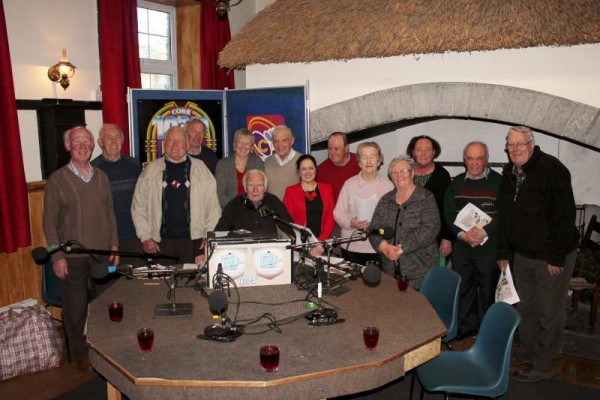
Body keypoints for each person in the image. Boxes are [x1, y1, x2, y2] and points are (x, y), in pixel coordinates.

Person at [497, 126, 578, 383]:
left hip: (550, 257)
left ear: (532, 144)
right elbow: (505, 217)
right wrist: (503, 252)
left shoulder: (551, 169)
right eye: (511, 144)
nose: (515, 149)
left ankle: (544, 365)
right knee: (525, 307)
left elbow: (565, 215)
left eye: (520, 144)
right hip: (523, 254)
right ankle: (528, 351)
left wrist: (556, 256)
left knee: (549, 311)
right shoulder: (509, 173)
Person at [43, 126, 118, 371]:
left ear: (92, 145)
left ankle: (105, 347)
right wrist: (56, 256)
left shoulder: (101, 177)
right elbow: (49, 223)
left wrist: (114, 245)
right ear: (68, 146)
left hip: (101, 254)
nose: (83, 146)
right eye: (77, 142)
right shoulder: (57, 180)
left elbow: (110, 214)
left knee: (105, 303)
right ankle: (81, 352)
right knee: (75, 308)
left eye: (87, 141)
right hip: (71, 257)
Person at [131, 126, 221, 265]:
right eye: (171, 140)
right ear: (164, 144)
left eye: (179, 141)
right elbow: (138, 207)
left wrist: (208, 237)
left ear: (187, 145)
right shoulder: (150, 171)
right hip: (160, 243)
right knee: (161, 285)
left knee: (190, 285)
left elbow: (213, 209)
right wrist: (146, 237)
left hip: (194, 243)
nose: (175, 145)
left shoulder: (201, 169)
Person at [444, 141, 501, 339]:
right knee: (464, 288)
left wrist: (485, 231)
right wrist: (462, 234)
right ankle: (466, 328)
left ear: (487, 159)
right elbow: (449, 212)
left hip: (489, 247)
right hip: (463, 247)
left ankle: (487, 331)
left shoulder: (500, 183)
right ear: (464, 160)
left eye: (479, 158)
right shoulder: (456, 183)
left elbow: (506, 215)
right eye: (470, 158)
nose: (474, 163)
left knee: (488, 289)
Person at [369, 156, 440, 288]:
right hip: (389, 272)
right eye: (394, 172)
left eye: (403, 171)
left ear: (412, 173)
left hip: (419, 272)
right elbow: (373, 229)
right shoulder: (385, 200)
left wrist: (401, 248)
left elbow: (430, 229)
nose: (399, 175)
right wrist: (384, 247)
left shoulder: (426, 198)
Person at [334, 142, 394, 265]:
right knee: (352, 284)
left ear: (379, 160)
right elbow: (338, 212)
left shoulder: (388, 186)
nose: (368, 161)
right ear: (359, 162)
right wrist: (350, 222)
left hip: (378, 247)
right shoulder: (349, 184)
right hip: (351, 246)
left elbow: (394, 217)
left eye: (372, 156)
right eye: (364, 157)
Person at [91, 123, 142, 263]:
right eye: (109, 138)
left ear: (123, 140)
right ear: (100, 142)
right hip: (106, 239)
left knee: (135, 280)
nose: (114, 142)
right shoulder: (93, 169)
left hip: (133, 236)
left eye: (117, 137)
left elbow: (143, 200)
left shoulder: (134, 165)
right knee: (110, 281)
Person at [407, 135, 452, 259]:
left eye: (427, 149)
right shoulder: (404, 172)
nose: (423, 153)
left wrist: (446, 238)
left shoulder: (442, 175)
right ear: (413, 152)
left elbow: (448, 209)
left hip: (435, 238)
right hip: (408, 237)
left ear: (433, 152)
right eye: (419, 149)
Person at [215, 169, 292, 237]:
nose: (255, 190)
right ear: (245, 188)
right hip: (242, 250)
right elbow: (219, 232)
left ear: (265, 188)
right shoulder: (234, 204)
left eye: (259, 185)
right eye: (251, 185)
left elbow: (290, 228)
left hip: (268, 250)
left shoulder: (273, 202)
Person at [283, 154, 335, 241]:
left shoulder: (327, 189)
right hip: (300, 242)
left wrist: (320, 241)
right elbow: (287, 221)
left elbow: (330, 218)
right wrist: (303, 242)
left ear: (316, 169)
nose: (308, 172)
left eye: (311, 168)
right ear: (299, 172)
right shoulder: (291, 192)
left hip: (322, 242)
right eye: (303, 169)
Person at [215, 127, 264, 208]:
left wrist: (250, 207)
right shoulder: (223, 164)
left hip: (253, 210)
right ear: (234, 144)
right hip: (230, 211)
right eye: (240, 142)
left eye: (247, 143)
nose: (243, 146)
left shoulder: (257, 162)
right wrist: (238, 208)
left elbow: (260, 190)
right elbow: (220, 194)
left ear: (252, 147)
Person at [317, 132, 361, 203]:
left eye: (336, 148)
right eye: (330, 148)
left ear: (346, 148)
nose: (332, 152)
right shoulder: (321, 170)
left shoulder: (360, 163)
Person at [264, 125, 303, 200]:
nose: (280, 145)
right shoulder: (267, 162)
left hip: (294, 211)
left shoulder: (302, 161)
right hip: (273, 210)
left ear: (292, 141)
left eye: (284, 140)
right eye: (276, 141)